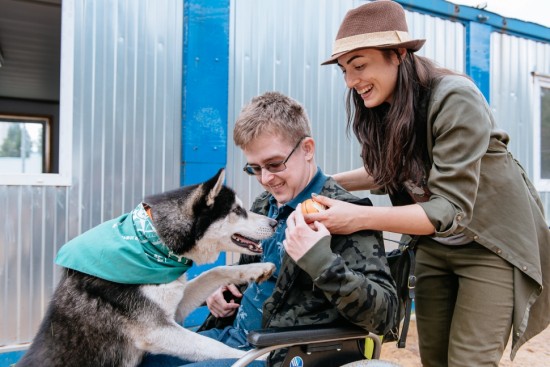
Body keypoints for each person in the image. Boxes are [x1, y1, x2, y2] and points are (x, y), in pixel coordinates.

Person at [304, 1, 550, 367]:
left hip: (489, 244)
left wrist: (357, 217)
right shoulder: (387, 105)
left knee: (469, 361)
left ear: (398, 54)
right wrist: (319, 183)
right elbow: (389, 171)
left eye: (359, 65)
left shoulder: (453, 97)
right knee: (433, 358)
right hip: (435, 245)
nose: (351, 81)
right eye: (344, 70)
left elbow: (448, 208)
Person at [140, 91, 398, 367]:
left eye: (275, 164)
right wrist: (224, 292)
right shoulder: (265, 205)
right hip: (234, 338)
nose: (266, 179)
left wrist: (321, 262)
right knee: (136, 358)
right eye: (255, 169)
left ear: (307, 149)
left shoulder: (344, 212)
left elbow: (385, 317)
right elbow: (253, 280)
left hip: (280, 356)